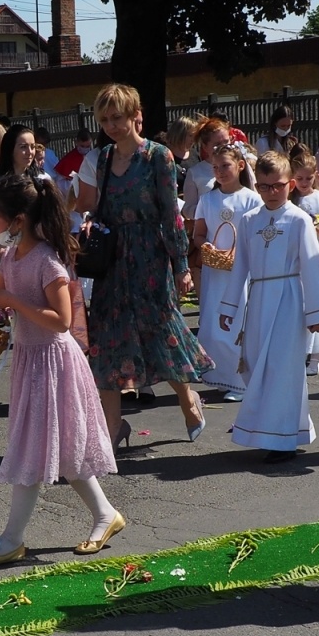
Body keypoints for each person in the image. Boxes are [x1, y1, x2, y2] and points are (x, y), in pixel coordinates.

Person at [0, 173, 120, 558]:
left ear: (18, 220)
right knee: (53, 448)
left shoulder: (47, 260)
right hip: (31, 360)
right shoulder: (10, 256)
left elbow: (61, 320)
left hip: (54, 361)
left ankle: (12, 539)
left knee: (34, 448)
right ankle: (105, 513)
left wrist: (12, 300)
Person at [75, 84, 211, 448]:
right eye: (104, 119)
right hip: (113, 261)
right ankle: (113, 426)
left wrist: (181, 264)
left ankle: (188, 399)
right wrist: (91, 221)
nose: (110, 126)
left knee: (159, 333)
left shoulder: (158, 157)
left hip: (150, 258)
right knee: (106, 339)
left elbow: (172, 216)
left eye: (116, 117)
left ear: (135, 115)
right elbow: (100, 207)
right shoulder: (102, 158)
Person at [217, 151, 319, 463]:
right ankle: (274, 429)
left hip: (288, 299)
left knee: (284, 368)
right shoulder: (249, 220)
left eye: (278, 186)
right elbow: (240, 265)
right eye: (265, 186)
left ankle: (282, 441)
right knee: (256, 365)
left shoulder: (298, 220)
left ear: (291, 184)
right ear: (257, 186)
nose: (271, 192)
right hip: (258, 301)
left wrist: (318, 312)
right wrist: (228, 306)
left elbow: (312, 265)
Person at [189, 142, 262, 403]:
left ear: (240, 166)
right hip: (215, 271)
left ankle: (241, 381)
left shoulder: (251, 199)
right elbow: (199, 233)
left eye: (226, 166)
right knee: (212, 325)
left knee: (237, 324)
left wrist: (240, 254)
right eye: (215, 167)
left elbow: (256, 233)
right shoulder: (208, 199)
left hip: (240, 271)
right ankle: (221, 375)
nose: (220, 171)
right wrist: (205, 246)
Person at [287, 145, 319, 376]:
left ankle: (317, 354)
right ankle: (300, 350)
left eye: (309, 178)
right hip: (296, 260)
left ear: (315, 176)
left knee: (318, 301)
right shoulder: (290, 199)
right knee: (299, 304)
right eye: (299, 178)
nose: (304, 182)